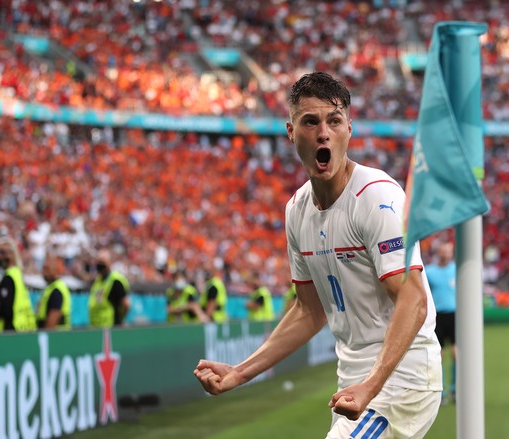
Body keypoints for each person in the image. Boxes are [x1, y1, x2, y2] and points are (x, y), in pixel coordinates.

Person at [194, 72, 442, 439]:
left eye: (334, 121)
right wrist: (239, 372)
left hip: (402, 381)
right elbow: (309, 310)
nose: (323, 132)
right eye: (311, 121)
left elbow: (413, 298)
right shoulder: (296, 210)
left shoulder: (377, 197)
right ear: (291, 132)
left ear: (349, 130)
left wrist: (370, 386)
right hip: (354, 384)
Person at [0, 236, 37, 332]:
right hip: (22, 328)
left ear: (11, 254)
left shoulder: (9, 278)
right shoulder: (17, 275)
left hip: (8, 329)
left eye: (1, 252)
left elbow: (5, 309)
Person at [426, 240, 457, 404]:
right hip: (437, 317)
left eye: (448, 251)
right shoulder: (429, 272)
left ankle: (455, 390)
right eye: (443, 251)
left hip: (455, 315)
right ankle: (442, 392)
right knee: (439, 355)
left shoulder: (457, 270)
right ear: (438, 253)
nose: (445, 254)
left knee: (455, 353)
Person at [88, 249, 131, 328]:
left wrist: (118, 320)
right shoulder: (97, 281)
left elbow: (126, 305)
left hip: (111, 327)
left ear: (109, 263)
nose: (100, 265)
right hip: (96, 327)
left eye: (102, 262)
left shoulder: (115, 281)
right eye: (98, 262)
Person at [36, 255, 72, 330]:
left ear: (55, 271)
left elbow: (53, 318)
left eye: (47, 269)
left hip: (56, 337)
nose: (43, 272)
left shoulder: (56, 290)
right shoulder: (50, 288)